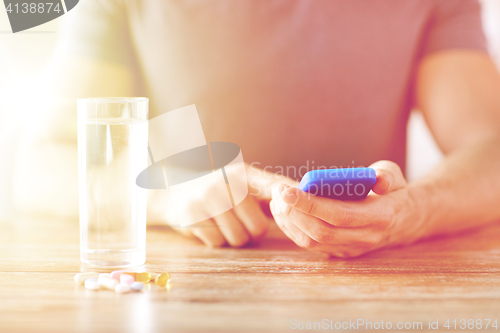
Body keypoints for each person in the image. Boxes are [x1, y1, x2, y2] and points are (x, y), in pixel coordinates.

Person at [16, 0, 500, 257]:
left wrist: (412, 211)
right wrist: (164, 198)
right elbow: (42, 163)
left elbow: (491, 148)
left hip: (365, 283)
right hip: (187, 288)